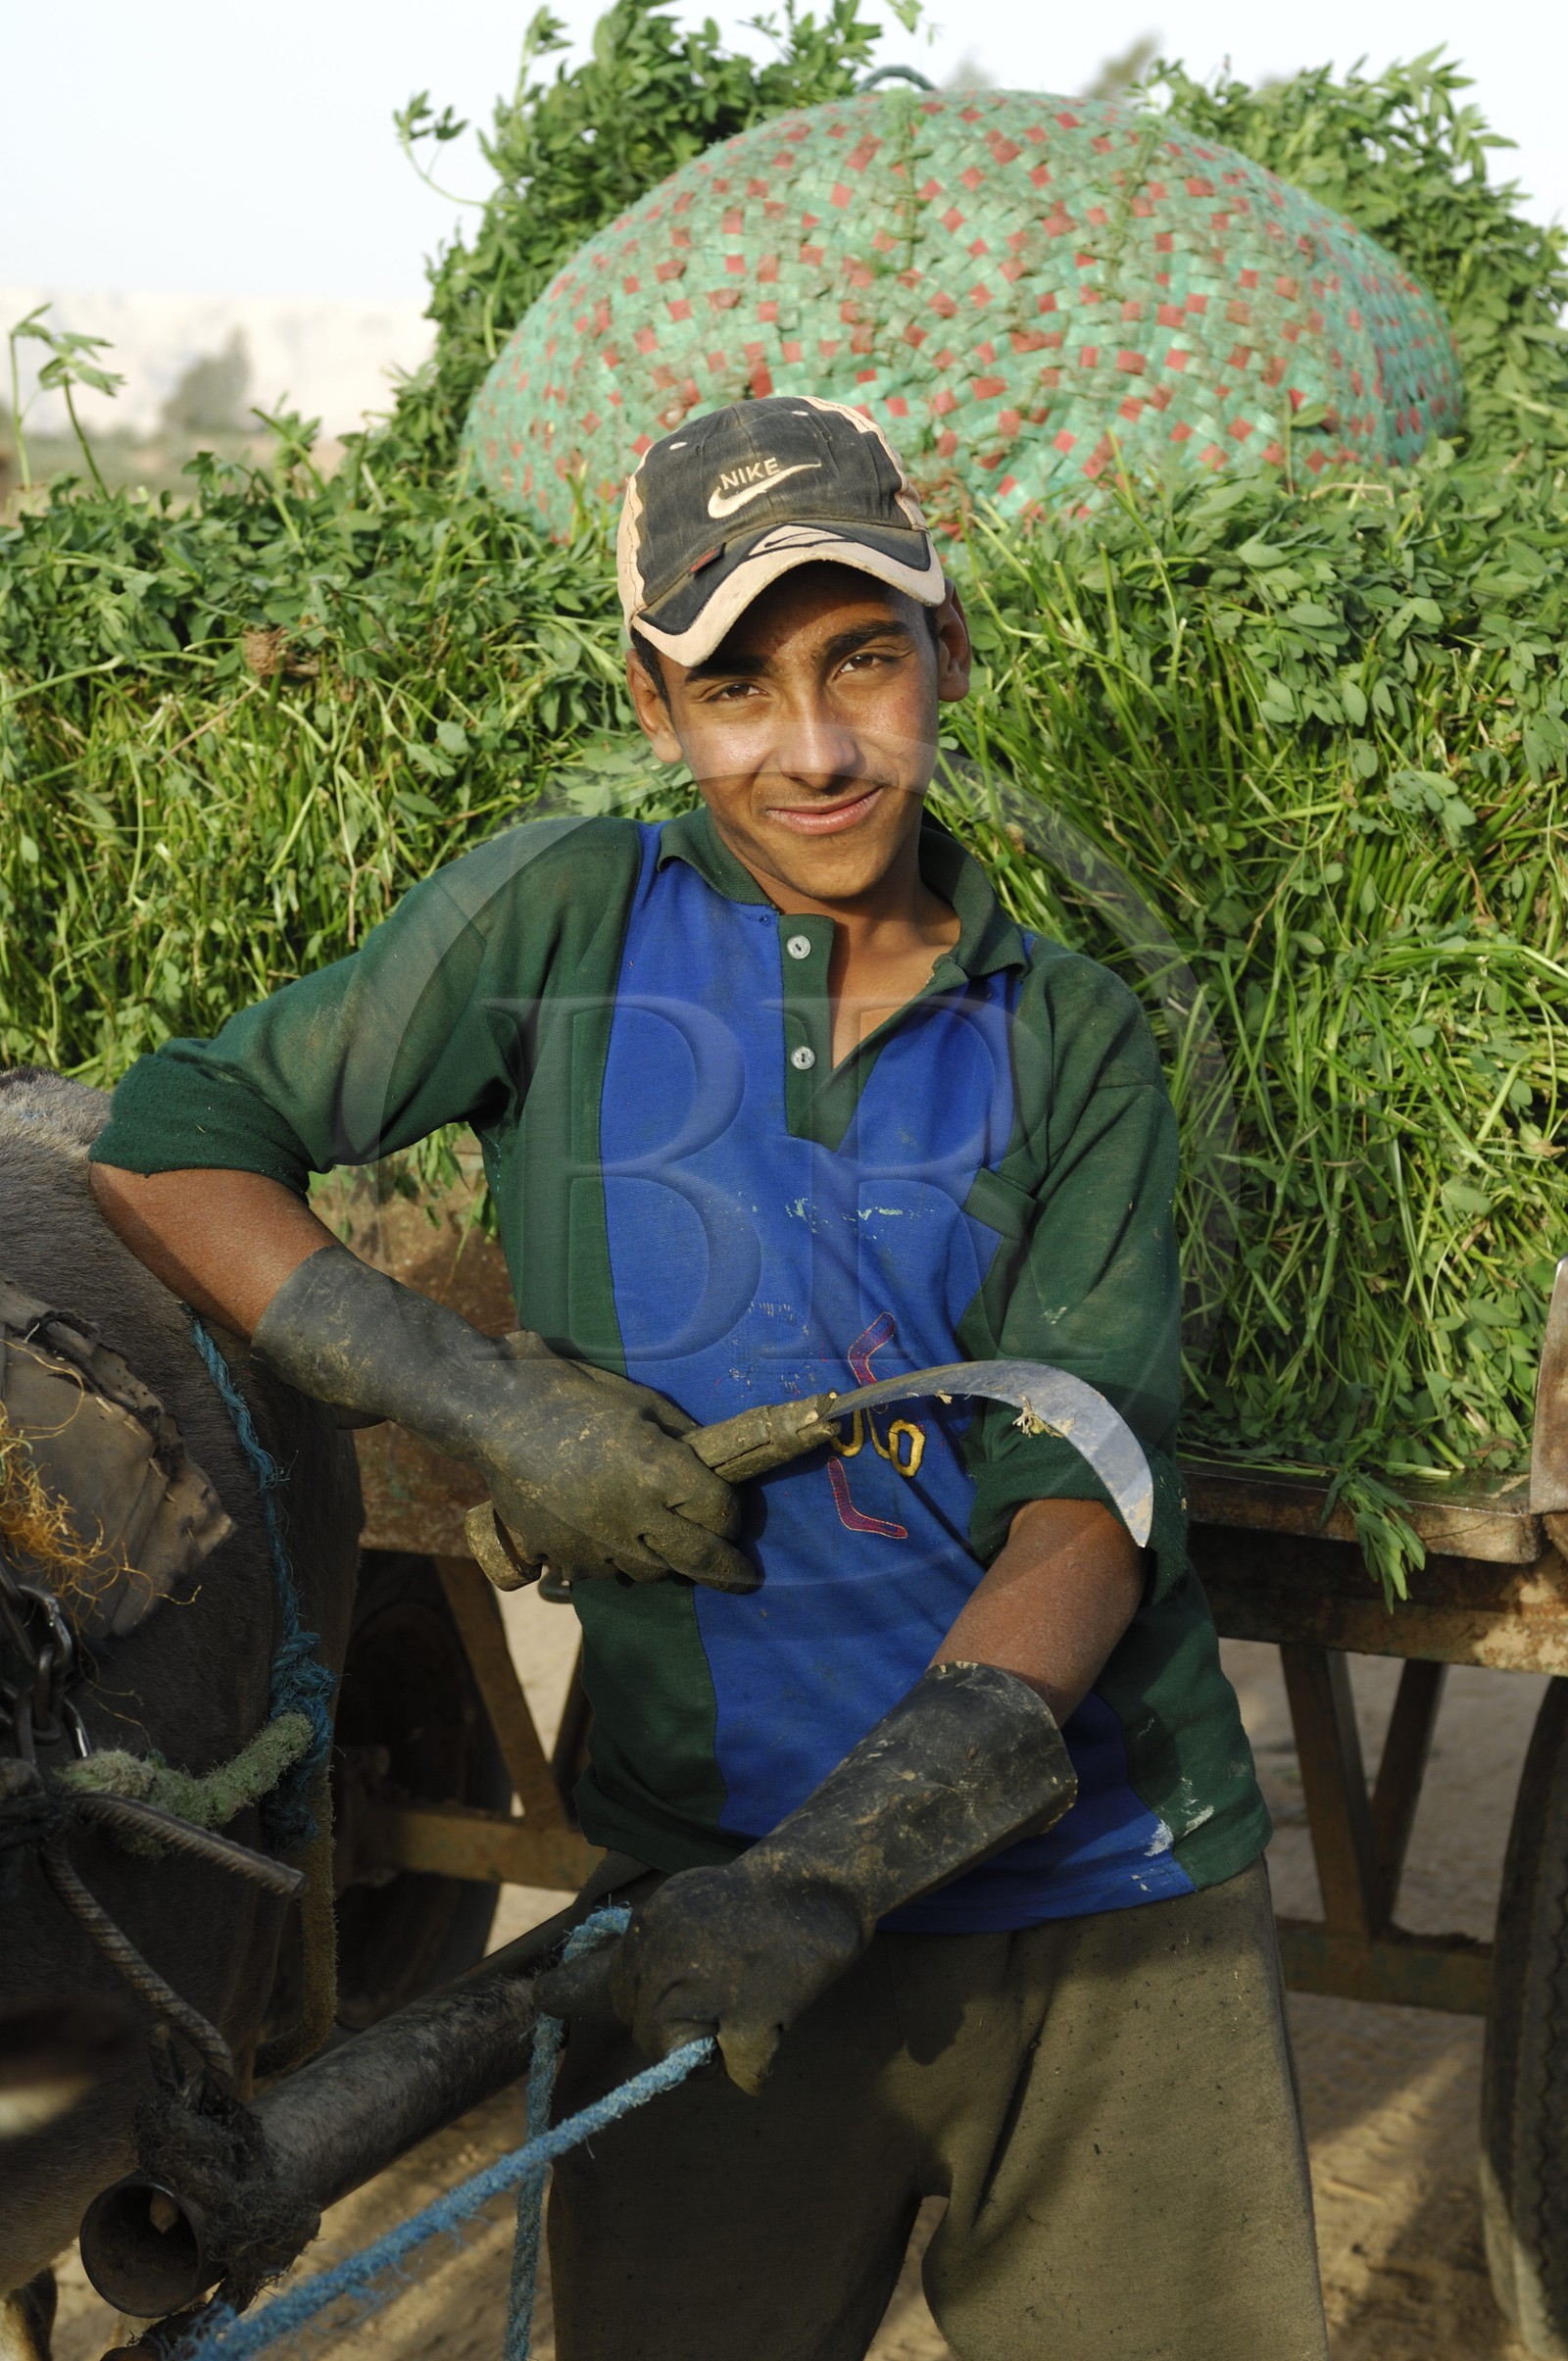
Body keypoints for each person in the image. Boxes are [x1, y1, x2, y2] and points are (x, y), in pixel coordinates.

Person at [88, 394, 1328, 2361]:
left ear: (949, 655)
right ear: (655, 708)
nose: (813, 743)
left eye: (862, 659)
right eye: (736, 679)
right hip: (684, 1885)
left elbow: (1079, 1495)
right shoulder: (560, 921)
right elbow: (170, 1139)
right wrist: (477, 1397)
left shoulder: (1067, 1032)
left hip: (1098, 1901)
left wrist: (839, 1867)